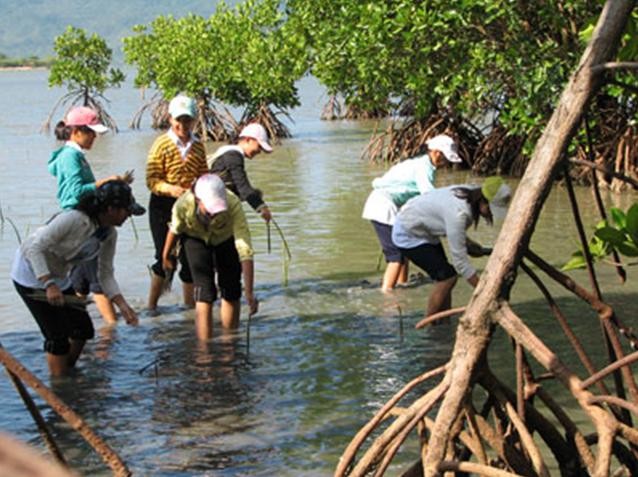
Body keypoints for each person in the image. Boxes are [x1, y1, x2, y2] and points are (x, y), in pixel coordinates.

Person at [11, 180, 145, 376]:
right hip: (31, 274)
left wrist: (122, 306)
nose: (128, 217)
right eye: (126, 211)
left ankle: (67, 371)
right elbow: (35, 248)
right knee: (57, 337)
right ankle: (59, 385)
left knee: (83, 329)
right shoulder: (74, 219)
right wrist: (48, 284)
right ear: (111, 209)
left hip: (58, 275)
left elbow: (105, 274)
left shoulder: (108, 234)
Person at [49, 106, 131, 323]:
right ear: (76, 131)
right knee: (96, 280)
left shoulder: (76, 155)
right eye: (91, 132)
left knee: (80, 281)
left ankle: (79, 329)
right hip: (79, 221)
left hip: (84, 218)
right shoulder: (70, 156)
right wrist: (103, 183)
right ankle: (112, 329)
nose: (94, 137)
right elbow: (74, 193)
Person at [392, 176, 511, 318]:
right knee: (447, 278)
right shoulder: (459, 214)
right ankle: (430, 325)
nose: (491, 214)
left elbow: (456, 234)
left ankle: (443, 321)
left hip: (425, 228)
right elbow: (460, 262)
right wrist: (485, 292)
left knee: (445, 276)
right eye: (491, 210)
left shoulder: (472, 192)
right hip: (408, 233)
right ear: (483, 202)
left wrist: (473, 247)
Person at [362, 134, 462, 291]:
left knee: (403, 249)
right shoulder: (423, 168)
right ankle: (387, 294)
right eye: (444, 158)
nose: (446, 163)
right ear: (436, 152)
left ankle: (403, 285)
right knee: (395, 256)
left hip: (388, 205)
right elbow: (430, 197)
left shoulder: (424, 165)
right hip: (383, 206)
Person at [162, 174, 250, 340]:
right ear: (197, 200)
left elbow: (245, 248)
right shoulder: (183, 205)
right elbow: (174, 230)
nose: (213, 216)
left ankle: (229, 342)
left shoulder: (233, 204)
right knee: (204, 292)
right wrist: (165, 256)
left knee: (231, 289)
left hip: (225, 239)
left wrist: (250, 293)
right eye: (209, 211)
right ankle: (204, 349)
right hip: (195, 238)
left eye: (216, 211)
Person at [145, 94, 208, 312]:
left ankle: (189, 310)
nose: (183, 125)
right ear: (170, 119)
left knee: (191, 257)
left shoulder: (198, 146)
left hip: (189, 207)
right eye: (179, 120)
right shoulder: (161, 144)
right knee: (164, 256)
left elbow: (203, 175)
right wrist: (172, 189)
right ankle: (151, 307)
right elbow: (151, 180)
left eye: (188, 120)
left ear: (194, 120)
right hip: (162, 206)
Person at [207, 122, 273, 313]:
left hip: (211, 208)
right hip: (225, 207)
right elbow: (242, 187)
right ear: (247, 140)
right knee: (245, 248)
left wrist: (254, 195)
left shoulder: (223, 154)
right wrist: (262, 208)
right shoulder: (234, 156)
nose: (259, 151)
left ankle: (214, 296)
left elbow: (234, 185)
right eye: (258, 147)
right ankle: (250, 295)